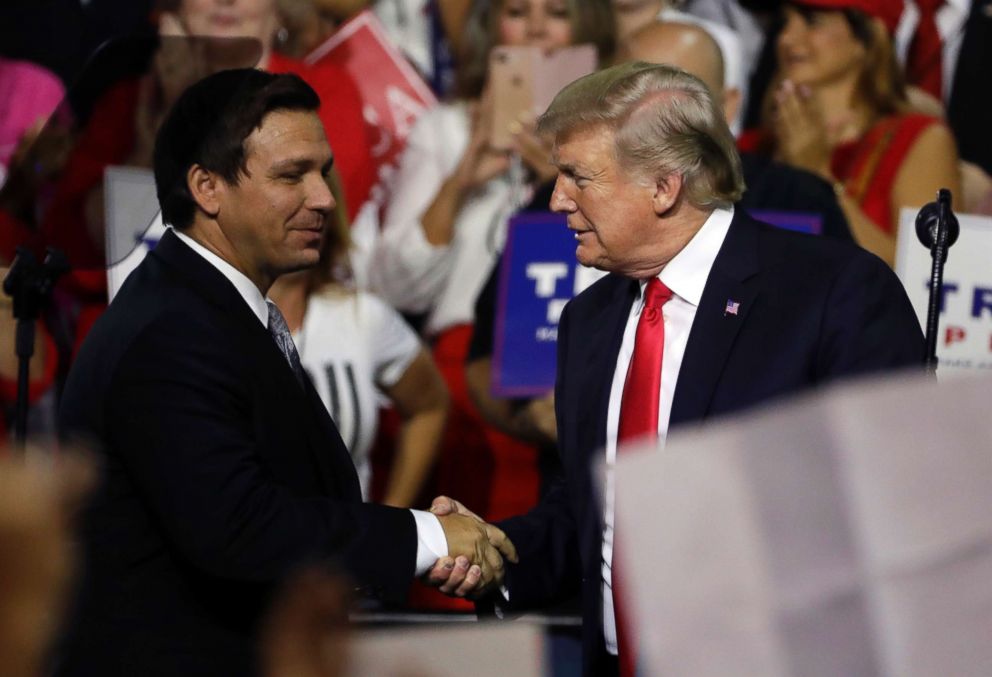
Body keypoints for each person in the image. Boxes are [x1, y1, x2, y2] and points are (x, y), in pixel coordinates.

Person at [428, 62, 925, 676]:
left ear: (664, 187)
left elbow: (894, 502)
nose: (556, 199)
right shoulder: (589, 319)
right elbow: (587, 509)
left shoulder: (834, 293)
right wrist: (495, 553)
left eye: (577, 177)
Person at [54, 69, 515, 676]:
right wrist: (421, 538)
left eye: (322, 172)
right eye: (290, 175)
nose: (324, 197)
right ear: (207, 187)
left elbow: (295, 496)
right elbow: (238, 527)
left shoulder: (209, 307)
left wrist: (418, 540)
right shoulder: (172, 329)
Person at [371, 0, 615, 524]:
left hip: (584, 363)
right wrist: (460, 180)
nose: (534, 27)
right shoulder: (448, 128)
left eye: (557, 13)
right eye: (517, 10)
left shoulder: (618, 140)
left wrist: (557, 180)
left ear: (588, 31)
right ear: (493, 26)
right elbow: (396, 287)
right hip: (467, 377)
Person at [267, 185, 449, 508]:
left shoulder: (362, 316)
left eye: (322, 181)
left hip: (346, 553)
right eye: (290, 180)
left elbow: (429, 406)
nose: (318, 201)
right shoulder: (201, 318)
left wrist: (392, 518)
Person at [743, 0, 961, 267]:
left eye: (813, 21)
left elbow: (928, 275)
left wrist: (817, 177)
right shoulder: (751, 146)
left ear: (867, 36)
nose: (787, 38)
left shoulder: (918, 141)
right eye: (785, 22)